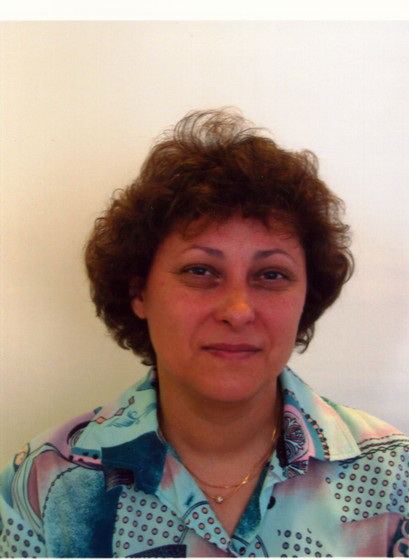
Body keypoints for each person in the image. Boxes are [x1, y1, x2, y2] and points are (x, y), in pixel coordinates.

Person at [0, 109, 408, 558]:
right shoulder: (41, 486)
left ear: (306, 298)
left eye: (271, 275)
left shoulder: (395, 478)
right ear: (139, 292)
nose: (238, 310)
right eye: (200, 270)